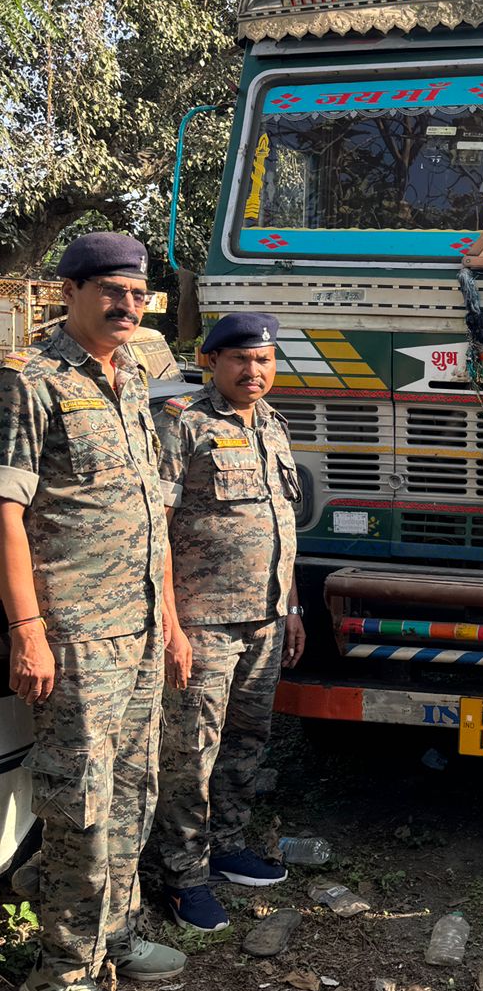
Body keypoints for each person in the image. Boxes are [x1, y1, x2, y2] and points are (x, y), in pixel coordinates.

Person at [0, 232, 186, 991]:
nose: (126, 305)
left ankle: (116, 933)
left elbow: (152, 512)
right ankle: (60, 971)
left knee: (135, 788)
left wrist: (171, 622)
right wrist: (27, 629)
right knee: (80, 799)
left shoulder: (135, 374)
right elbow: (6, 513)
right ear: (69, 291)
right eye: (110, 290)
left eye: (137, 293)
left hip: (139, 624)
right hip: (75, 631)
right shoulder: (31, 381)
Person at [152, 312, 305, 931]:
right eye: (240, 359)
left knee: (245, 743)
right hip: (203, 624)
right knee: (191, 752)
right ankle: (182, 877)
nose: (253, 370)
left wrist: (291, 608)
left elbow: (280, 526)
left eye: (263, 359)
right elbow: (156, 529)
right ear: (212, 361)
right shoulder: (182, 423)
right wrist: (171, 627)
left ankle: (228, 847)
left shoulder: (273, 425)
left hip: (265, 620)